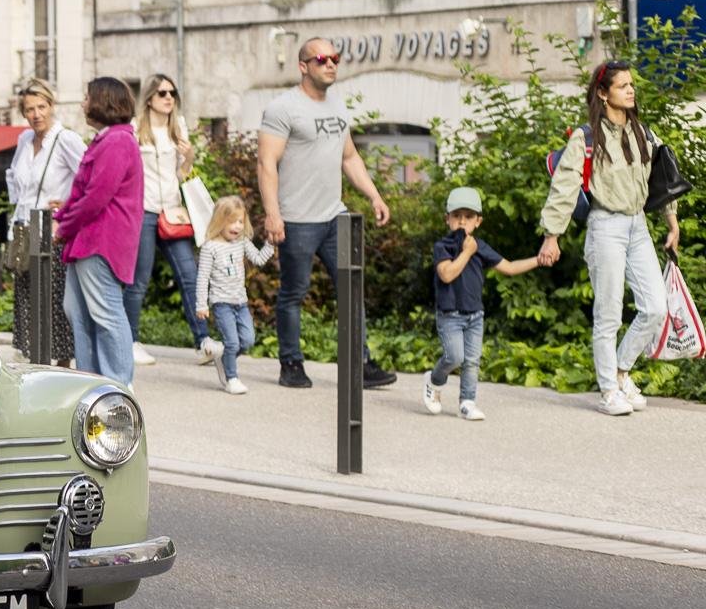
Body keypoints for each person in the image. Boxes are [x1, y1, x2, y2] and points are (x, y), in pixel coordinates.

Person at [537, 61, 680, 416]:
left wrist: (672, 221)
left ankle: (620, 372)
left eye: (632, 84)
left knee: (656, 307)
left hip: (638, 226)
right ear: (603, 93)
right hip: (605, 227)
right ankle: (607, 389)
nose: (630, 90)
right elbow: (563, 189)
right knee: (608, 314)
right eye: (622, 86)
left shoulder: (643, 133)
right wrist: (551, 236)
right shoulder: (584, 138)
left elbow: (663, 178)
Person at [258, 38, 398, 390]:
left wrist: (374, 197)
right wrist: (273, 213)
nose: (331, 64)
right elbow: (266, 163)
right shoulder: (282, 108)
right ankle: (291, 363)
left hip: (336, 218)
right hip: (297, 219)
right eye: (322, 58)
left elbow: (349, 158)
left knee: (351, 288)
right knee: (294, 292)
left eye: (334, 58)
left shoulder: (338, 107)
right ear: (303, 66)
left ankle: (360, 363)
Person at [54, 77, 144, 386]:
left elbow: (96, 196)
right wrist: (63, 218)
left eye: (87, 98)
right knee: (78, 311)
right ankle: (91, 382)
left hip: (101, 240)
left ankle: (118, 385)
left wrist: (63, 226)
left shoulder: (117, 141)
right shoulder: (108, 139)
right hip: (89, 239)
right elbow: (83, 193)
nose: (82, 104)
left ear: (102, 103)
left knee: (105, 313)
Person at [425, 187, 540, 421]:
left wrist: (539, 260)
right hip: (450, 315)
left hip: (475, 315)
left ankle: (466, 402)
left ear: (478, 221)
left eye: (468, 217)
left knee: (472, 361)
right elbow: (446, 274)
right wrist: (467, 253)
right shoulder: (443, 247)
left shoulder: (480, 246)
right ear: (447, 219)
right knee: (454, 358)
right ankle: (434, 381)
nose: (462, 222)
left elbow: (508, 267)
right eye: (457, 216)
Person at [127, 74, 217, 369]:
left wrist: (189, 158)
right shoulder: (134, 129)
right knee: (139, 280)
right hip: (143, 212)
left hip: (174, 212)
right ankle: (130, 342)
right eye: (163, 92)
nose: (169, 98)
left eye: (173, 93)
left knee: (190, 276)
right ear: (150, 97)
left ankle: (202, 341)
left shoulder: (180, 129)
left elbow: (184, 176)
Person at [4, 77, 86, 366]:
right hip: (26, 229)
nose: (36, 114)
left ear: (52, 106)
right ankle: (36, 365)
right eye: (29, 109)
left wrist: (67, 206)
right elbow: (14, 178)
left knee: (54, 304)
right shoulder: (24, 140)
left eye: (41, 106)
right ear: (22, 112)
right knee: (28, 301)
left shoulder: (66, 139)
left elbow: (90, 177)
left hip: (53, 232)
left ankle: (62, 368)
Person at [193, 196, 274, 395]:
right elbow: (202, 277)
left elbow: (258, 258)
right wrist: (201, 304)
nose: (237, 226)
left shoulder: (241, 242)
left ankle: (222, 360)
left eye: (240, 221)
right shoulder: (209, 247)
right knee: (232, 342)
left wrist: (270, 244)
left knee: (247, 341)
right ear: (220, 220)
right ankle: (231, 378)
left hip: (241, 303)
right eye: (232, 221)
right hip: (221, 304)